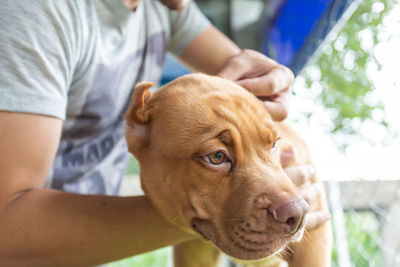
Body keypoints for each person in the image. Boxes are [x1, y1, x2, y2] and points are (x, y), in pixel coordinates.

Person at [0, 0, 330, 265]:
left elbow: (243, 85)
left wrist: (271, 80)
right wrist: (212, 219)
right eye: (218, 156)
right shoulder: (37, 14)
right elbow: (6, 228)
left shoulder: (163, 7)